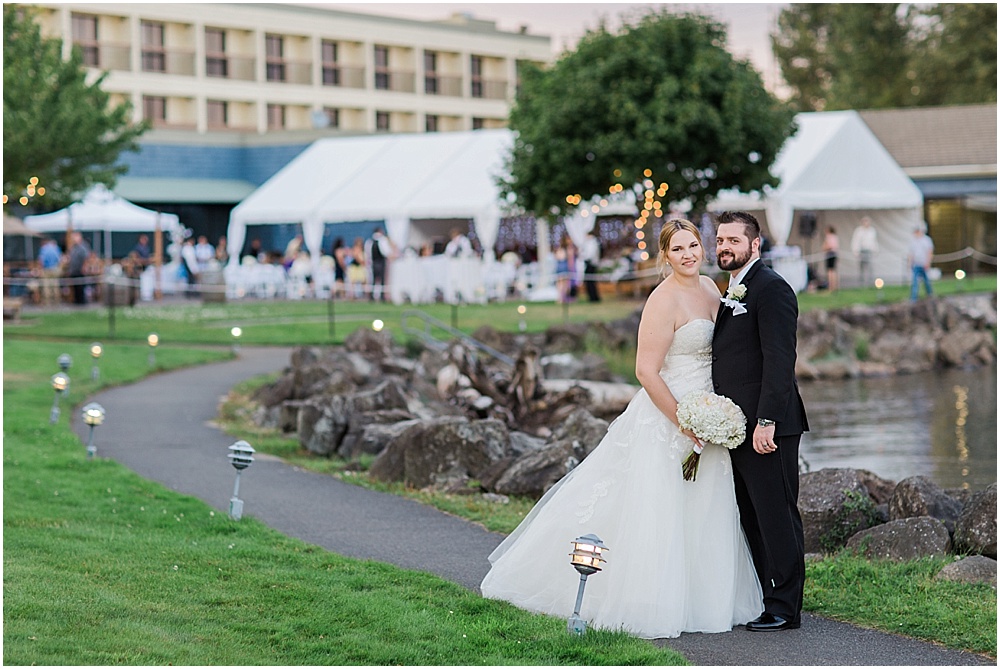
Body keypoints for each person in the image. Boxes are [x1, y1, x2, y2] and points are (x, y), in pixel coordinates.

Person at [481, 219, 763, 639]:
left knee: (706, 506)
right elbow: (646, 371)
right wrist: (684, 421)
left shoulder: (710, 287)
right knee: (658, 506)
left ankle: (703, 599)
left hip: (711, 414)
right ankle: (647, 598)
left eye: (692, 245)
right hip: (671, 414)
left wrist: (713, 416)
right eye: (677, 249)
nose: (688, 254)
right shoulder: (661, 300)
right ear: (664, 256)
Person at [712, 210, 808, 632]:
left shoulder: (772, 289)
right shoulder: (732, 287)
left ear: (755, 244)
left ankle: (786, 608)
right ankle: (768, 597)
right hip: (738, 426)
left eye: (734, 240)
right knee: (752, 515)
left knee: (777, 516)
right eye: (720, 240)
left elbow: (780, 361)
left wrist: (766, 419)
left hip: (769, 427)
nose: (724, 247)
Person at [365, 227, 395, 302]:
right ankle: (382, 296)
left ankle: (371, 296)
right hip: (380, 262)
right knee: (381, 280)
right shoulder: (382, 240)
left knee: (373, 280)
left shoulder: (369, 241)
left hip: (373, 263)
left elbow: (367, 253)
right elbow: (385, 252)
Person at [908, 225, 934, 301]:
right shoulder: (913, 241)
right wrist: (910, 263)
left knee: (927, 281)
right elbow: (911, 253)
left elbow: (929, 252)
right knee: (915, 282)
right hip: (916, 264)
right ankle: (914, 298)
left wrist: (928, 262)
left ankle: (930, 295)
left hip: (924, 263)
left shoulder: (926, 240)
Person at [850, 216, 878, 288]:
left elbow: (874, 241)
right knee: (861, 267)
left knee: (870, 267)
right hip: (862, 251)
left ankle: (870, 282)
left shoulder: (872, 231)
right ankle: (861, 282)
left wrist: (875, 250)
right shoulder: (859, 231)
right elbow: (856, 241)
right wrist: (855, 251)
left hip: (869, 251)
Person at [67, 232, 91, 305]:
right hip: (74, 270)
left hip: (80, 270)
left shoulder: (83, 247)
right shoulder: (74, 247)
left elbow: (86, 258)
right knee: (76, 287)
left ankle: (82, 301)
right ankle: (77, 300)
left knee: (80, 286)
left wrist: (84, 267)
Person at [37, 237, 64, 306]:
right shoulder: (56, 248)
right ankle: (57, 302)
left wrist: (40, 269)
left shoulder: (43, 249)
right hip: (55, 269)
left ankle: (47, 302)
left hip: (46, 269)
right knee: (55, 285)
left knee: (46, 286)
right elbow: (60, 259)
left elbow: (41, 260)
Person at [580, 229, 602, 302]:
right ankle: (591, 296)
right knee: (589, 281)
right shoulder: (589, 243)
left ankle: (593, 297)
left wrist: (585, 257)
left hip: (591, 264)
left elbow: (590, 254)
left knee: (590, 281)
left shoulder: (592, 243)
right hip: (589, 263)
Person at [821, 225, 839, 292]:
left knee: (830, 271)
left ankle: (831, 286)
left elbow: (828, 246)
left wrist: (824, 247)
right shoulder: (835, 237)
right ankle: (834, 286)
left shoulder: (829, 237)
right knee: (833, 271)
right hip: (834, 254)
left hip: (830, 254)